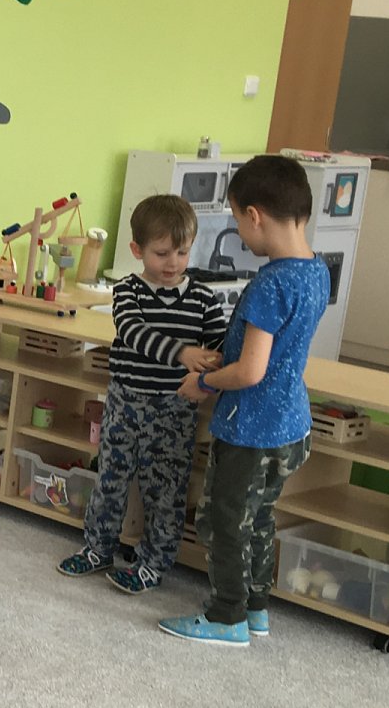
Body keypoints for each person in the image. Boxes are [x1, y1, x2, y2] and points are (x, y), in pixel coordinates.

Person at [162, 156, 330, 646]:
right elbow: (275, 352)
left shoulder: (271, 283)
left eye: (237, 219)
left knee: (224, 521)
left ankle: (226, 616)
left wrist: (204, 382)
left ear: (255, 215)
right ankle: (255, 609)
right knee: (258, 518)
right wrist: (229, 357)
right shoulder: (315, 270)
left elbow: (252, 372)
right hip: (291, 424)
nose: (239, 230)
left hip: (252, 426)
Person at [59, 195, 227, 594]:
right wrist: (182, 353)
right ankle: (98, 548)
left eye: (182, 252)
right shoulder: (128, 290)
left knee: (166, 490)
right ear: (138, 250)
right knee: (110, 479)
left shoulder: (205, 299)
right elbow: (134, 333)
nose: (173, 263)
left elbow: (221, 346)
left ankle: (152, 564)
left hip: (175, 409)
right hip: (125, 401)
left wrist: (218, 367)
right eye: (161, 253)